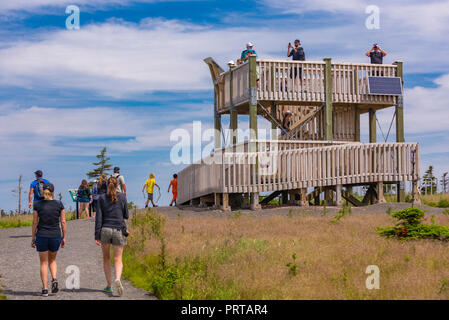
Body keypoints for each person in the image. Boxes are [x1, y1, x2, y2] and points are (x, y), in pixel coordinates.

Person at [95, 176, 129, 296]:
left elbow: (98, 218)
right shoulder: (122, 197)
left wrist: (97, 235)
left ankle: (109, 286)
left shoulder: (101, 198)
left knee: (106, 258)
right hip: (119, 229)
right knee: (118, 259)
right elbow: (126, 215)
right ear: (117, 185)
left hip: (105, 230)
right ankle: (118, 279)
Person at [31, 183, 66, 297]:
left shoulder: (37, 204)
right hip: (55, 235)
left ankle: (45, 289)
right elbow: (63, 222)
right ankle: (54, 278)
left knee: (43, 263)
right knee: (52, 260)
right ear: (53, 192)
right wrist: (64, 237)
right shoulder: (59, 204)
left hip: (41, 235)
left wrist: (33, 237)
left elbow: (35, 222)